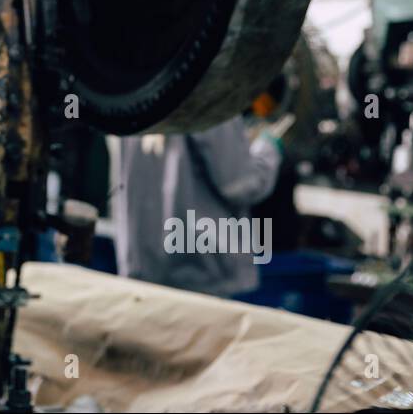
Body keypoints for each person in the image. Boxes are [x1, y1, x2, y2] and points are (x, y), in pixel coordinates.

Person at [111, 115, 285, 297]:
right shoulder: (209, 97)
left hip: (144, 271)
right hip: (203, 276)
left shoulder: (132, 96)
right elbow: (242, 184)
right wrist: (268, 146)